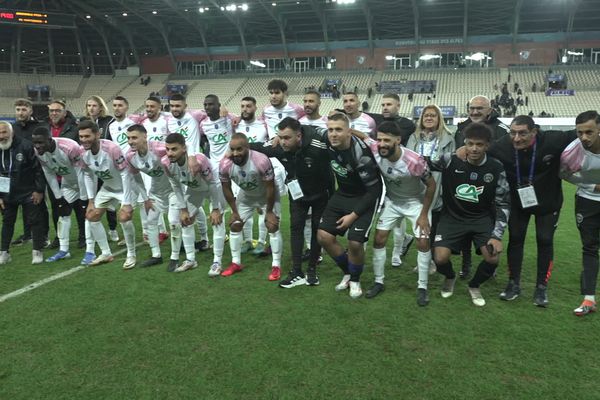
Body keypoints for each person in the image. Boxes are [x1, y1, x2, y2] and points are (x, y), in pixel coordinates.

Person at [484, 115, 575, 306]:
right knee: (516, 239)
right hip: (518, 204)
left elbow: (583, 134)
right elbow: (479, 149)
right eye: (513, 133)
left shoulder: (552, 140)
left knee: (545, 240)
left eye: (523, 133)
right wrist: (460, 152)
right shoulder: (502, 146)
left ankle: (541, 288)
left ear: (534, 131)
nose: (517, 138)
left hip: (548, 203)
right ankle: (513, 284)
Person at [432, 123, 510, 307]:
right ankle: (450, 277)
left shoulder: (496, 167)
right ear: (464, 143)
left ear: (487, 145)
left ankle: (474, 285)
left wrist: (497, 236)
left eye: (479, 144)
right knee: (440, 258)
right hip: (451, 217)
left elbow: (504, 203)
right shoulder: (451, 160)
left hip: (480, 219)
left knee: (492, 258)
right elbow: (425, 165)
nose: (474, 148)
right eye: (470, 143)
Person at [250, 117, 334, 288]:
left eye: (287, 138)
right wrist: (233, 149)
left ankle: (311, 270)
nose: (282, 142)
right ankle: (296, 271)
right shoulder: (279, 146)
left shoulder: (319, 145)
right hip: (298, 194)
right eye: (280, 137)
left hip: (321, 193)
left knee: (317, 230)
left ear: (299, 136)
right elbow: (256, 147)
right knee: (296, 229)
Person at [366, 121, 436, 305]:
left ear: (398, 140)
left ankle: (422, 287)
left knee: (423, 241)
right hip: (392, 201)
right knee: (379, 238)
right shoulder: (376, 148)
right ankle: (378, 282)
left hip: (416, 203)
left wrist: (423, 214)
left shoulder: (414, 161)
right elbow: (362, 137)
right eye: (379, 139)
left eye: (387, 140)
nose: (381, 144)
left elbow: (431, 185)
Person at [317, 113, 383, 299]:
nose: (333, 134)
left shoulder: (361, 156)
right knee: (323, 236)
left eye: (339, 130)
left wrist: (353, 216)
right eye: (330, 130)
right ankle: (348, 271)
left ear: (349, 132)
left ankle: (355, 280)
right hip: (343, 193)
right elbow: (307, 131)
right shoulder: (327, 140)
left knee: (355, 242)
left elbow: (374, 191)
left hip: (365, 196)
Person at [454, 95, 509, 277]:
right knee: (464, 227)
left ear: (490, 109)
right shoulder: (461, 128)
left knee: (490, 225)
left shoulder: (501, 129)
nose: (475, 112)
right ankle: (466, 262)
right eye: (472, 108)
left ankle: (489, 263)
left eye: (480, 108)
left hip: (491, 186)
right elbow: (458, 156)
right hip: (466, 184)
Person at [79, 120, 142, 268]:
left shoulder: (111, 148)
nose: (83, 140)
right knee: (91, 216)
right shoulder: (82, 152)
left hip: (126, 188)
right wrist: (90, 200)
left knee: (124, 217)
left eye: (87, 136)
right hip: (108, 187)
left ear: (97, 134)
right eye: (81, 136)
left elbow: (125, 174)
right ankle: (106, 253)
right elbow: (88, 175)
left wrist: (126, 202)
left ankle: (131, 254)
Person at [219, 133, 283, 280]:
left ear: (247, 148)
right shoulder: (225, 165)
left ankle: (276, 266)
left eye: (239, 149)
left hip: (267, 196)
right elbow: (226, 189)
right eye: (232, 149)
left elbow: (270, 188)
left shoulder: (261, 161)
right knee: (235, 224)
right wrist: (234, 211)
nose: (235, 153)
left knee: (272, 226)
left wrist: (269, 212)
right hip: (246, 196)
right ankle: (236, 263)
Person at [163, 133, 224, 273]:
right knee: (185, 220)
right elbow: (176, 186)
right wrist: (183, 209)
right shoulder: (166, 163)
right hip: (194, 188)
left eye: (174, 149)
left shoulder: (199, 160)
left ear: (184, 149)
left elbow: (213, 183)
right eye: (167, 149)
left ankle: (217, 262)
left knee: (217, 221)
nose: (170, 153)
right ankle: (191, 259)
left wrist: (215, 208)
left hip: (213, 187)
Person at [560, 110, 600, 316]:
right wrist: (593, 185)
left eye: (589, 132)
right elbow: (564, 174)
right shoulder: (572, 151)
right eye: (580, 132)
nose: (584, 137)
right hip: (587, 203)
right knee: (590, 248)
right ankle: (589, 299)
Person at [407, 105, 455, 273]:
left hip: (438, 184)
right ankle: (423, 260)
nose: (429, 118)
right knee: (418, 225)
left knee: (433, 225)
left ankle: (433, 261)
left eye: (433, 115)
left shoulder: (448, 137)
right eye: (426, 115)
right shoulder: (413, 137)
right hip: (416, 185)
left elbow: (451, 164)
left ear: (439, 118)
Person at [125, 125, 180, 268]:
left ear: (145, 136)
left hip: (173, 189)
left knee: (174, 221)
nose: (131, 141)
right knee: (151, 221)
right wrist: (145, 198)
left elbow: (181, 152)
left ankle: (175, 256)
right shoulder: (130, 156)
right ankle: (156, 255)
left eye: (134, 138)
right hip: (156, 192)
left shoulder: (160, 149)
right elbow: (136, 177)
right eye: (128, 138)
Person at [31, 126, 87, 262]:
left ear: (49, 140)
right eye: (35, 143)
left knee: (90, 216)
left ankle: (90, 248)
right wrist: (59, 197)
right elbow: (49, 174)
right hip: (68, 184)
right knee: (63, 214)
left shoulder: (69, 147)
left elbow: (81, 172)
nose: (37, 146)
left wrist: (85, 197)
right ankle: (64, 250)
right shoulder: (38, 152)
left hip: (86, 182)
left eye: (40, 142)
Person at [0, 121, 46, 265]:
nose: (1, 136)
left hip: (28, 191)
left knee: (34, 221)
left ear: (11, 133)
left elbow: (38, 169)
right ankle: (4, 252)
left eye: (4, 132)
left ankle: (37, 251)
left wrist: (39, 190)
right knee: (7, 222)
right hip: (8, 193)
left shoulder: (25, 146)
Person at [11, 98, 48, 247]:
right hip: (20, 173)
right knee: (24, 204)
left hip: (37, 170)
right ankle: (28, 234)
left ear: (30, 111)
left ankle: (44, 236)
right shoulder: (13, 128)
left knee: (40, 204)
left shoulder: (38, 127)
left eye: (24, 109)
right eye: (18, 109)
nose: (21, 112)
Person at [81, 95, 119, 242]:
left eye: (94, 105)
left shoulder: (108, 121)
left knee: (110, 201)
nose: (91, 108)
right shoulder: (83, 123)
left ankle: (112, 228)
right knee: (94, 199)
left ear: (101, 107)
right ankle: (90, 235)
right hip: (91, 164)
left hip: (108, 162)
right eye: (89, 105)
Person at [236, 96, 269, 254]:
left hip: (260, 174)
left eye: (248, 106)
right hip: (241, 175)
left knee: (263, 210)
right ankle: (247, 241)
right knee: (244, 209)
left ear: (255, 108)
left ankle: (262, 242)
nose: (245, 109)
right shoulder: (235, 125)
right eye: (242, 106)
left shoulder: (264, 125)